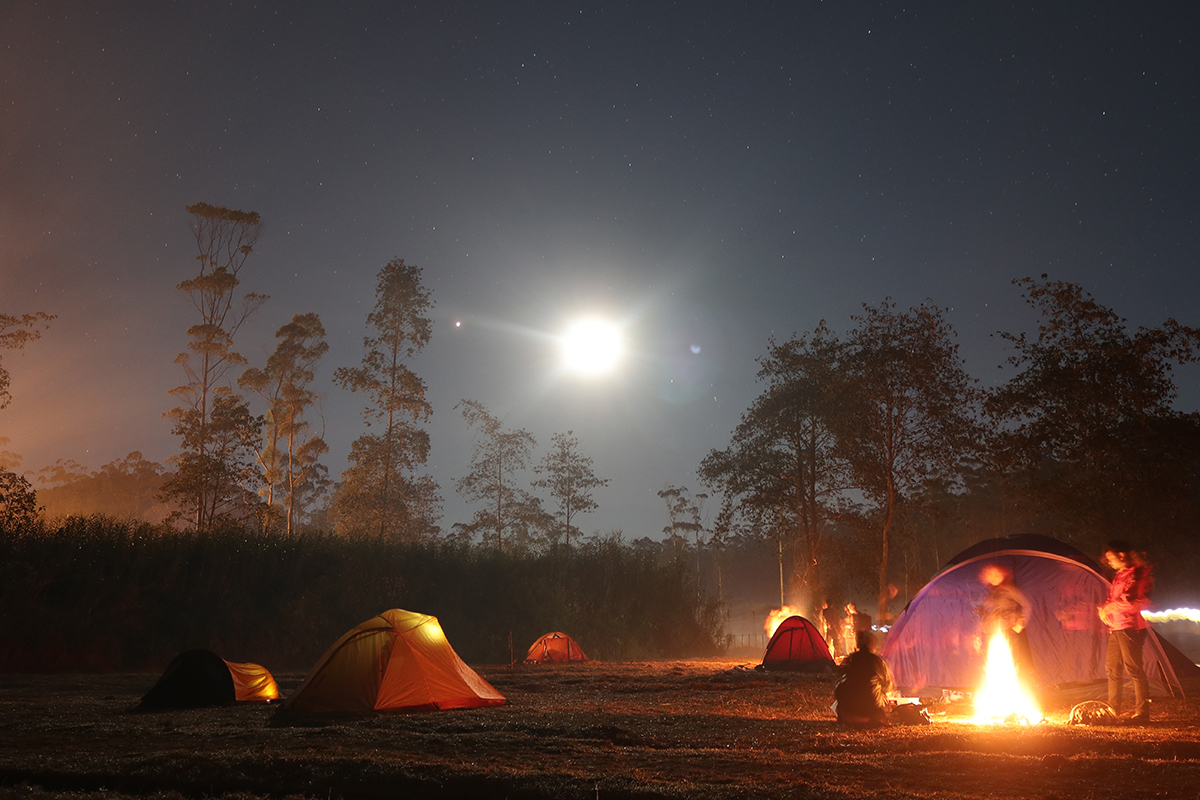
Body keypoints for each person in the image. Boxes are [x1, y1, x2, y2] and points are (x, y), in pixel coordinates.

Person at [1098, 540, 1153, 724]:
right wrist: (1104, 608)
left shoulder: (1136, 574)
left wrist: (1108, 608)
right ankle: (1112, 710)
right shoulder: (1120, 575)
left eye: (1110, 557)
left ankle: (1142, 713)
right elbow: (1113, 599)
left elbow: (1129, 602)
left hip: (1130, 627)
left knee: (1134, 669)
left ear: (1122, 555)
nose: (1109, 562)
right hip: (1116, 628)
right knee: (1112, 668)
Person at [975, 564, 1039, 687]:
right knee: (995, 660)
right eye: (990, 574)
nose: (993, 577)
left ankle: (1018, 686)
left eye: (996, 574)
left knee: (1013, 659)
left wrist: (1019, 624)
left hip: (1007, 630)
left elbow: (1027, 605)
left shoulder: (1009, 590)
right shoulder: (987, 593)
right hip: (990, 631)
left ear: (1003, 575)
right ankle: (999, 686)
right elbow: (983, 613)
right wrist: (980, 631)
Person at [833, 631, 895, 726]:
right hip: (871, 709)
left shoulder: (849, 660)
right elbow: (887, 685)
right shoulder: (877, 661)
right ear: (871, 644)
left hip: (848, 710)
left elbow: (839, 686)